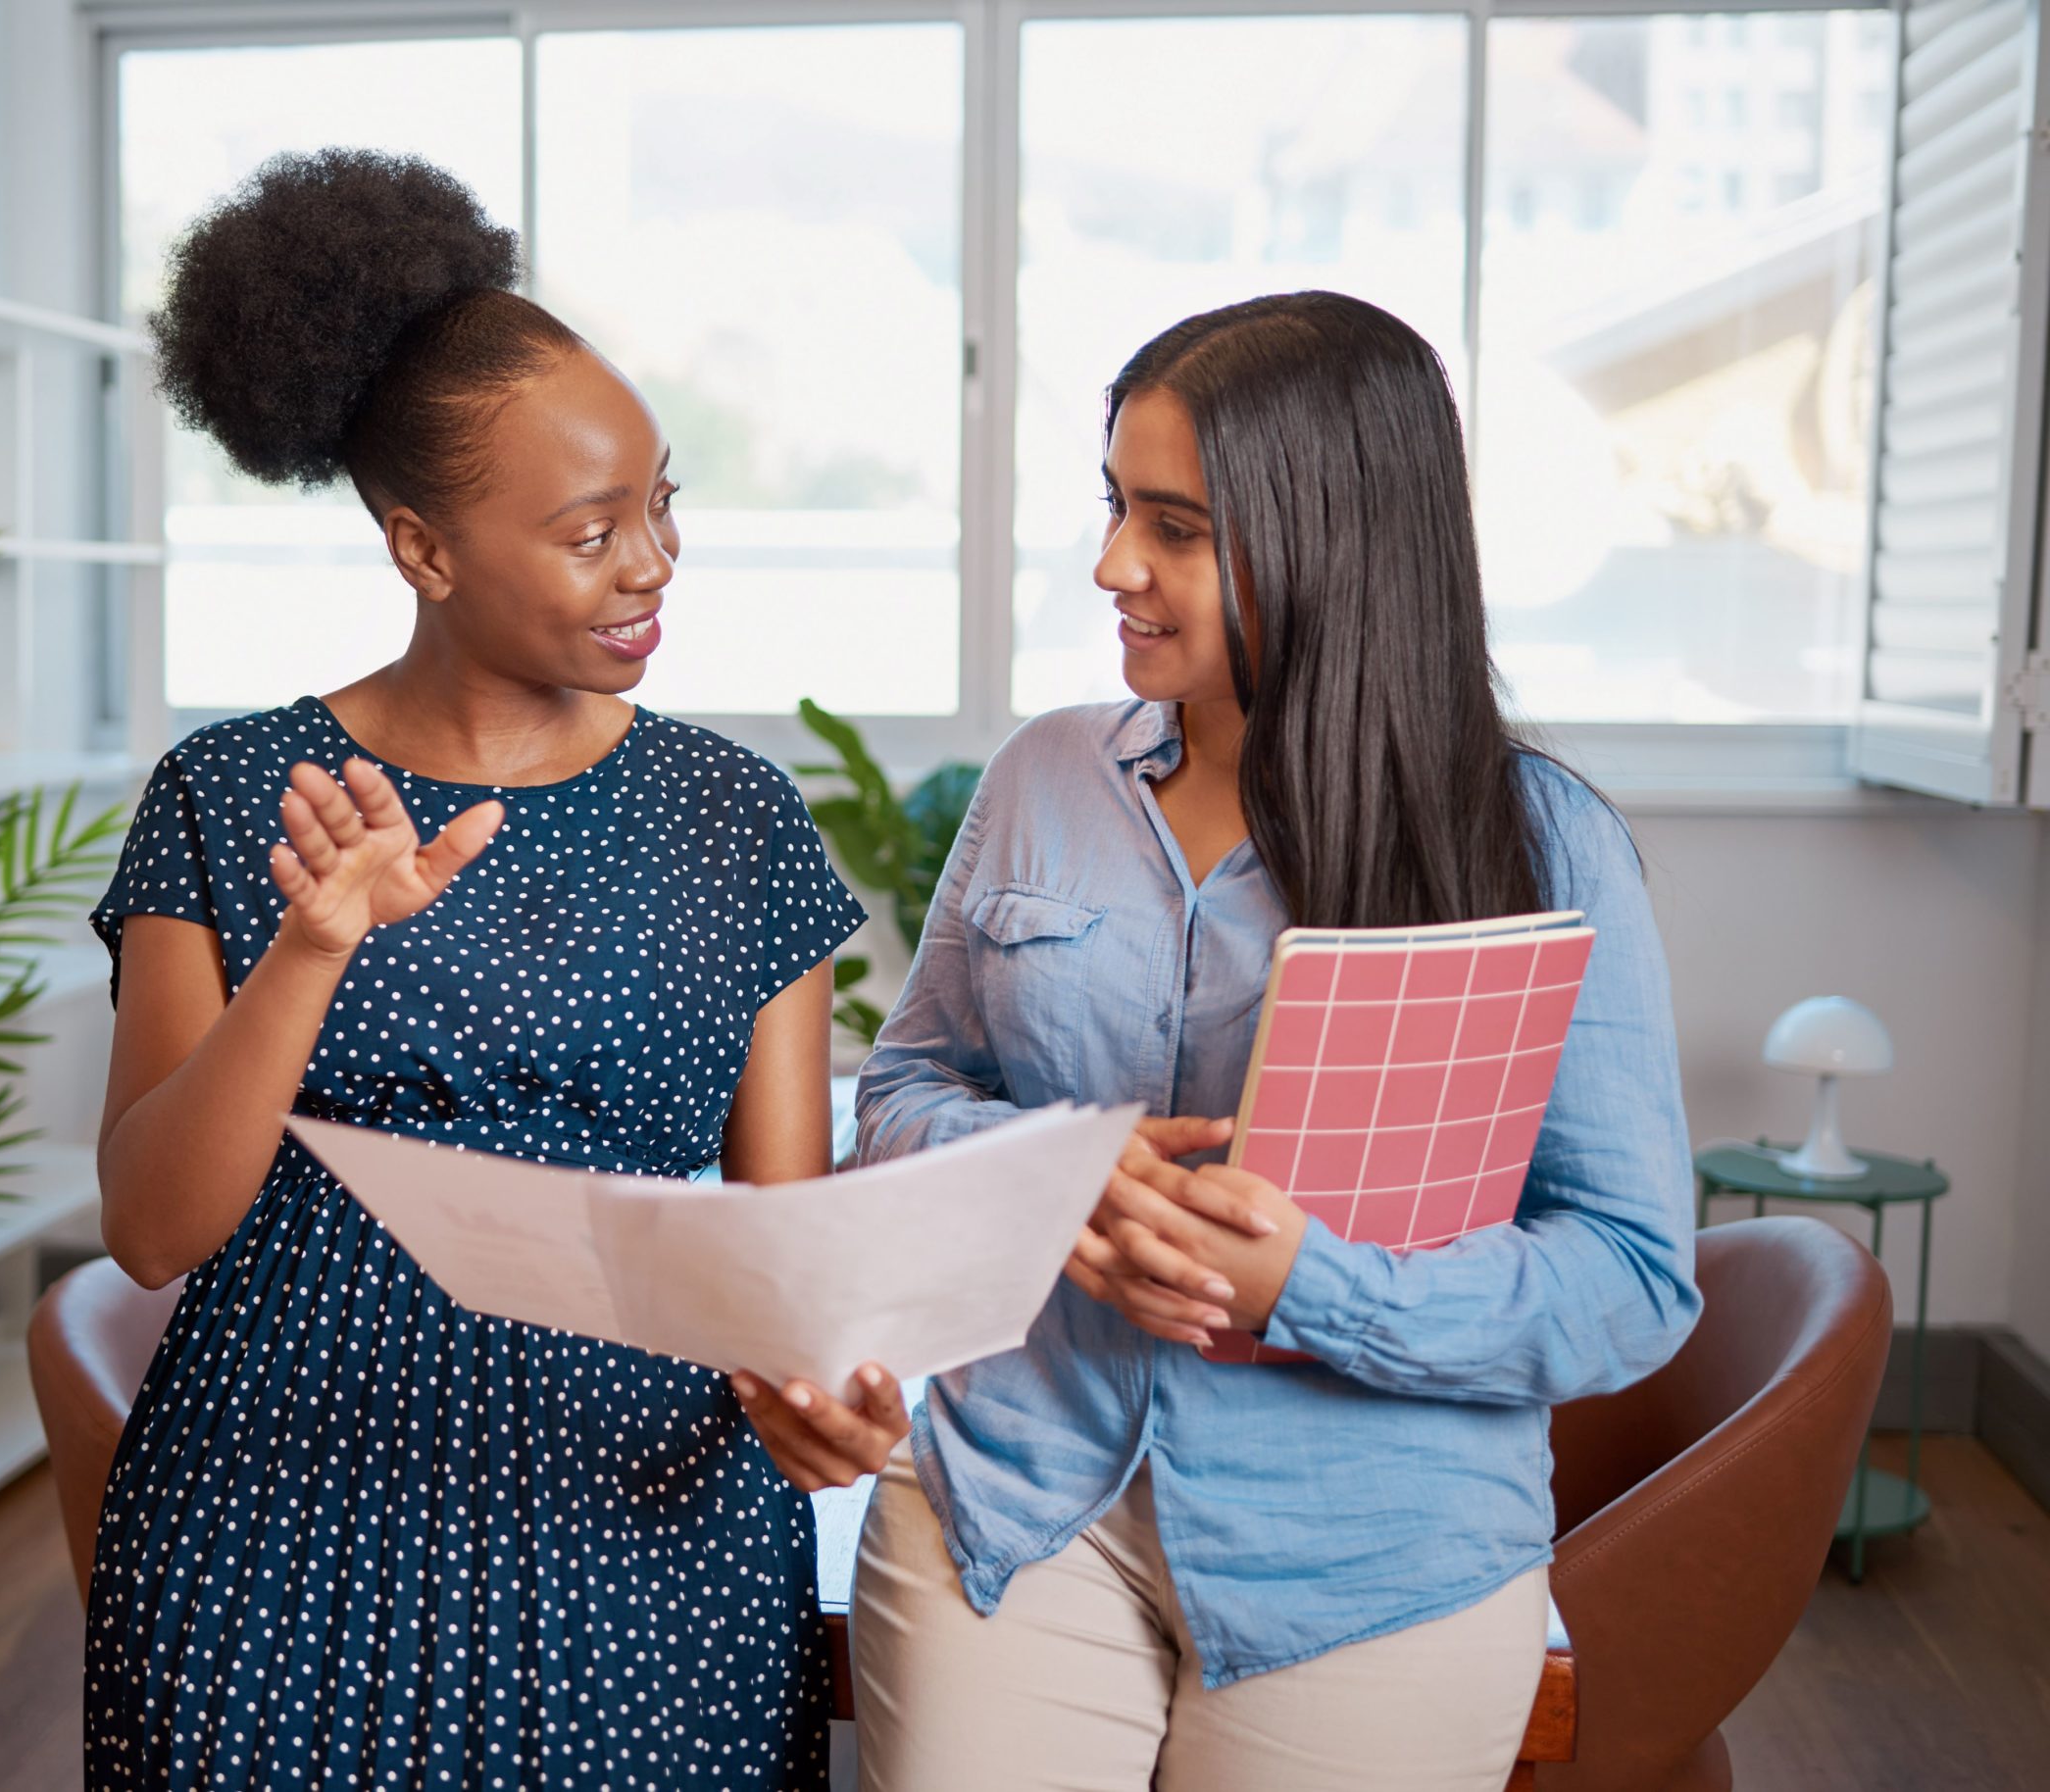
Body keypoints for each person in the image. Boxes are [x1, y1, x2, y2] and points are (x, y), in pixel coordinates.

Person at [83, 148, 906, 1791]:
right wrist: (311, 949)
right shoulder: (237, 797)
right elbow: (155, 1229)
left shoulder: (732, 818)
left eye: (662, 502)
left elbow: (783, 1257)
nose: (654, 561)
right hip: (282, 1527)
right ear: (423, 550)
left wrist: (818, 1398)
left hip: (647, 1537)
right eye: (593, 529)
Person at [847, 291, 1701, 1792]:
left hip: (1379, 1552)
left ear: (1332, 535)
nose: (1114, 565)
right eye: (1116, 507)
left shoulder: (1537, 846)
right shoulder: (1045, 776)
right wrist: (1055, 1173)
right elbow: (908, 1090)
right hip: (1023, 1499)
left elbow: (1630, 1278)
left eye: (1174, 526)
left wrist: (1312, 1287)